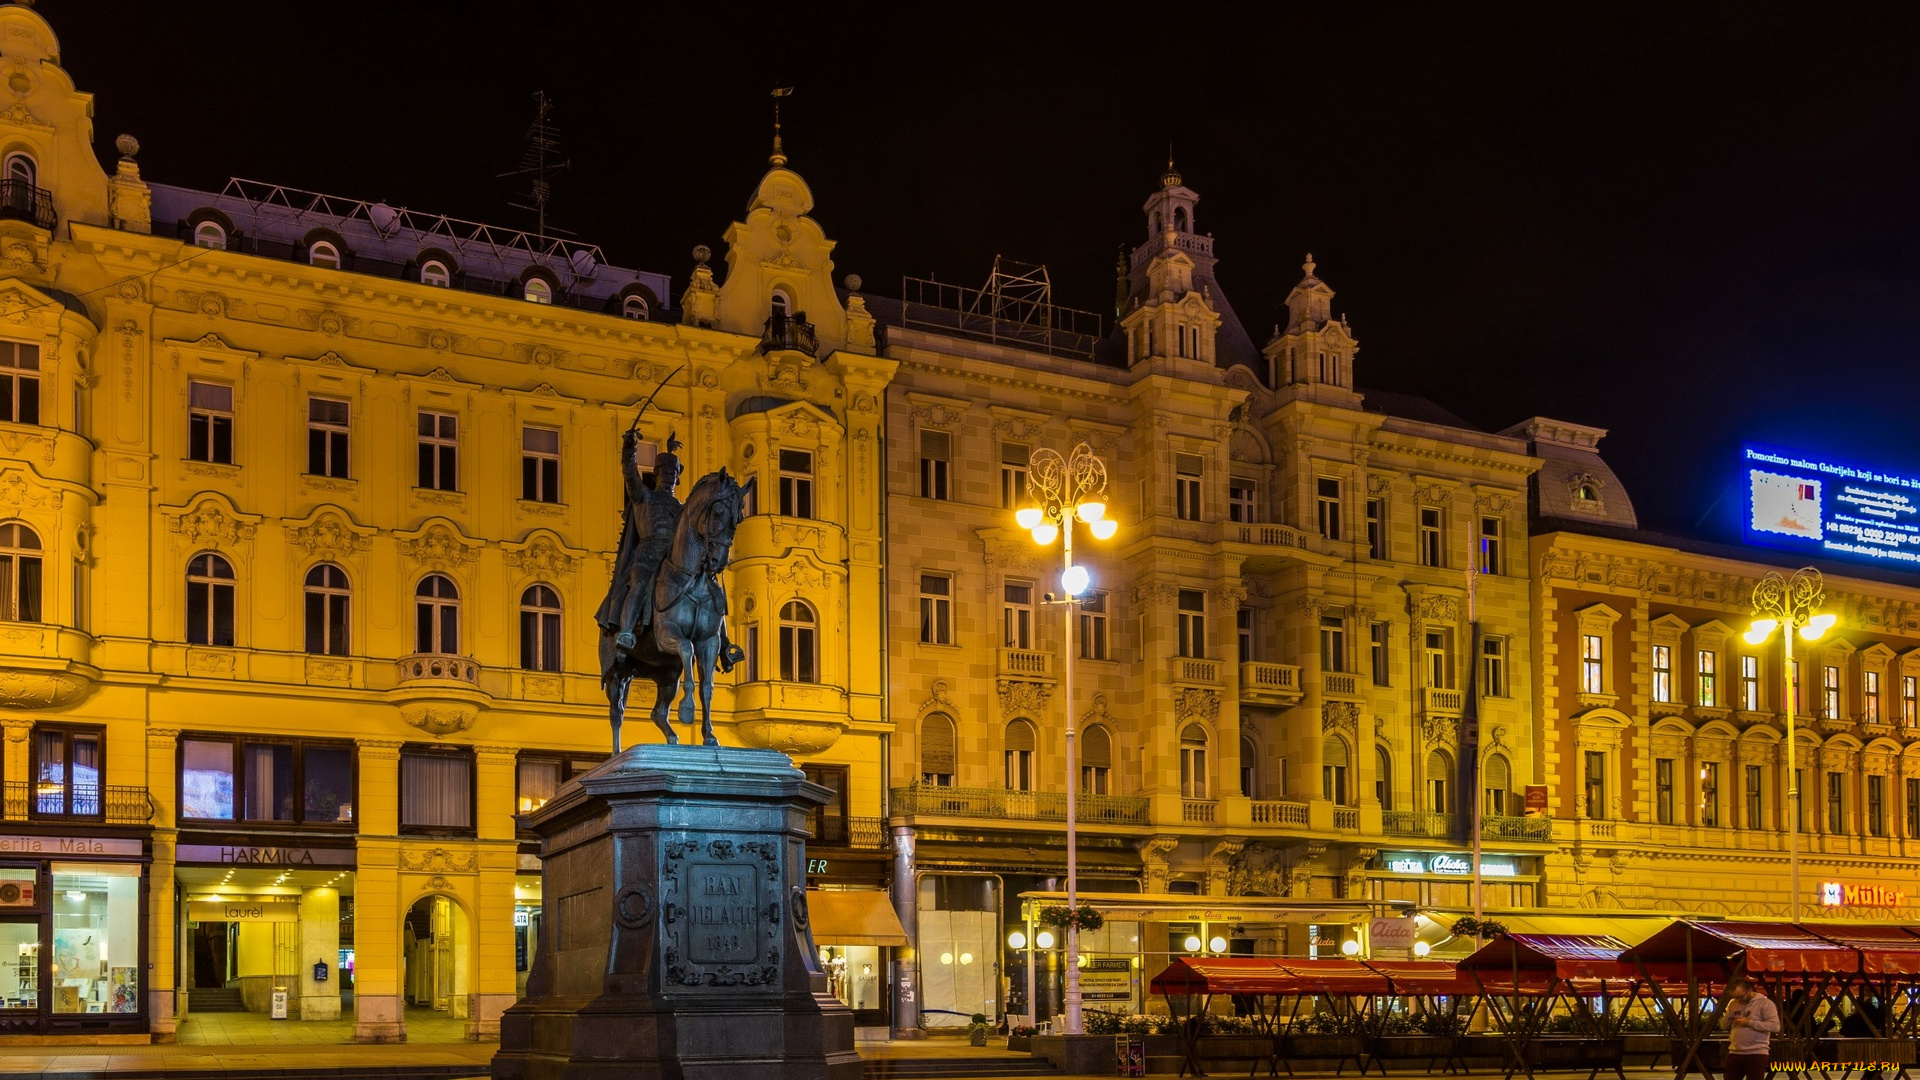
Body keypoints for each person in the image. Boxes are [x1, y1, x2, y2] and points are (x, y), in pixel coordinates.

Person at [1720, 976, 1780, 1080]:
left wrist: (1749, 1023)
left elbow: (1775, 1026)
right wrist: (1729, 1015)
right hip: (1735, 1051)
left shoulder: (1765, 1003)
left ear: (1749, 991)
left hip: (1756, 1052)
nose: (1738, 1000)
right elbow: (1723, 1026)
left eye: (1740, 996)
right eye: (1735, 997)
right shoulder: (1734, 1004)